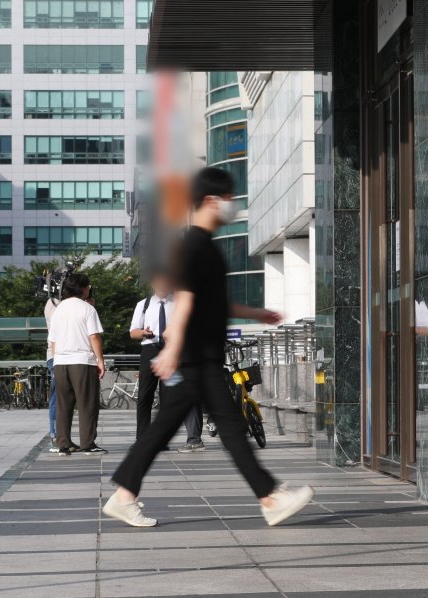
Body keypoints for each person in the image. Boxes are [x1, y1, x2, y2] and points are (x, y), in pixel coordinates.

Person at [103, 167, 314, 528]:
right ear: (213, 201)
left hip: (201, 357)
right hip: (196, 358)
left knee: (184, 428)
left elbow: (211, 304)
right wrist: (172, 350)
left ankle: (125, 495)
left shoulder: (202, 246)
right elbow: (184, 301)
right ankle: (269, 498)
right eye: (230, 199)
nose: (232, 206)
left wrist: (256, 313)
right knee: (222, 428)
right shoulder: (195, 245)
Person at [130, 271, 204, 452]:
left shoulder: (178, 303)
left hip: (172, 352)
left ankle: (169, 439)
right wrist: (144, 333)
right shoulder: (144, 305)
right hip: (150, 351)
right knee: (145, 396)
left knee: (170, 395)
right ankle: (143, 439)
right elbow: (133, 332)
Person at [48, 273, 107, 456]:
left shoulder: (59, 309)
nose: (89, 289)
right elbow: (94, 336)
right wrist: (100, 360)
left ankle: (63, 444)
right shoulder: (87, 309)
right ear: (83, 288)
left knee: (63, 404)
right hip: (82, 361)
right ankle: (87, 443)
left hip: (60, 361)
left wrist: (58, 359)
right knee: (87, 403)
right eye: (88, 286)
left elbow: (53, 340)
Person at [44, 296, 60, 452]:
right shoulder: (54, 303)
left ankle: (60, 436)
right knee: (57, 396)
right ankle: (55, 436)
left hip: (60, 356)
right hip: (57, 356)